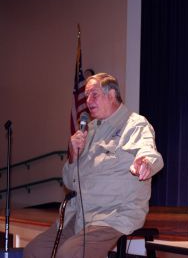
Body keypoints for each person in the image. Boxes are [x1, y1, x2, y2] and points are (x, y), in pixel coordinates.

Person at [24, 73, 164, 258]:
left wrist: (145, 162)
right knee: (34, 251)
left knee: (70, 254)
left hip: (112, 216)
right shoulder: (88, 131)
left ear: (112, 94)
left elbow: (150, 153)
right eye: (86, 95)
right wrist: (73, 156)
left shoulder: (134, 124)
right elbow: (69, 183)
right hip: (79, 216)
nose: (88, 101)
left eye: (94, 94)